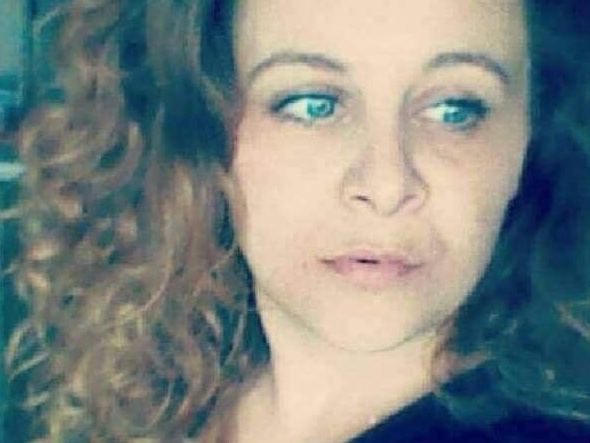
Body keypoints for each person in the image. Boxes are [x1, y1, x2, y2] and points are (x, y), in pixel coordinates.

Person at [4, 0, 590, 442]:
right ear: (203, 134)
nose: (387, 186)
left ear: (530, 140)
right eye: (313, 105)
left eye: (454, 109)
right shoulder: (171, 388)